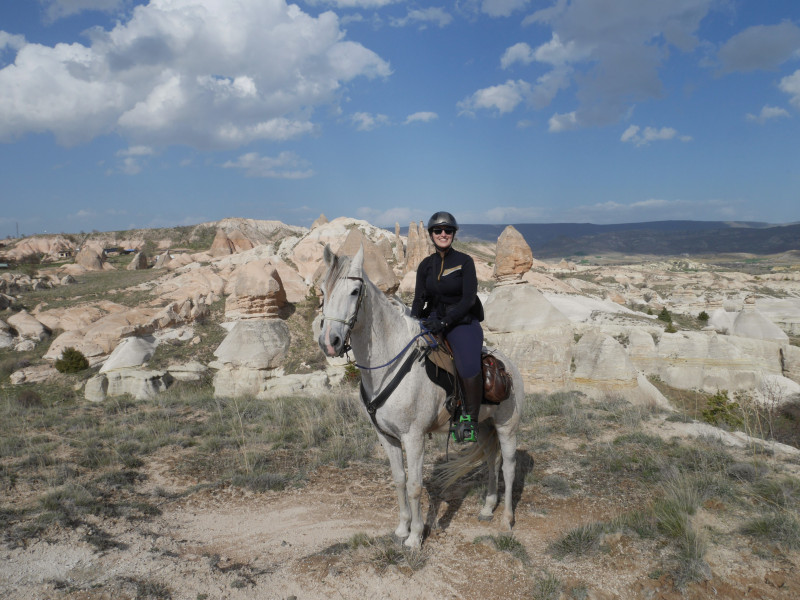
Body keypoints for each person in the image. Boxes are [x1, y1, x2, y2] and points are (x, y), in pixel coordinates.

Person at [410, 211, 484, 443]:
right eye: (438, 230)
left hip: (461, 321)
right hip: (432, 318)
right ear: (431, 235)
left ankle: (469, 421)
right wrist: (412, 324)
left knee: (468, 364)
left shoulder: (464, 262)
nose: (443, 234)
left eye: (448, 230)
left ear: (453, 234)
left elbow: (468, 299)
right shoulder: (425, 265)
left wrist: (445, 321)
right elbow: (419, 298)